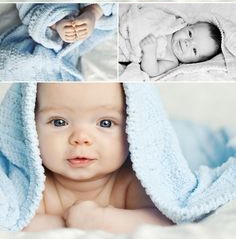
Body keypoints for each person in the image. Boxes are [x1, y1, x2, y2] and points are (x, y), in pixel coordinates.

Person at [24, 83, 171, 232]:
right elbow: (13, 222)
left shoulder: (139, 180)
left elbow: (166, 220)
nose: (81, 138)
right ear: (28, 125)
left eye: (105, 123)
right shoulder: (29, 185)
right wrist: (70, 223)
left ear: (135, 128)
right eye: (59, 122)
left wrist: (102, 220)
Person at [140, 22, 221, 77]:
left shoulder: (171, 61)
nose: (188, 43)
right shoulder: (172, 23)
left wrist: (149, 52)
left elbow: (152, 71)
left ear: (193, 62)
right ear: (187, 26)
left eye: (194, 50)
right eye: (190, 34)